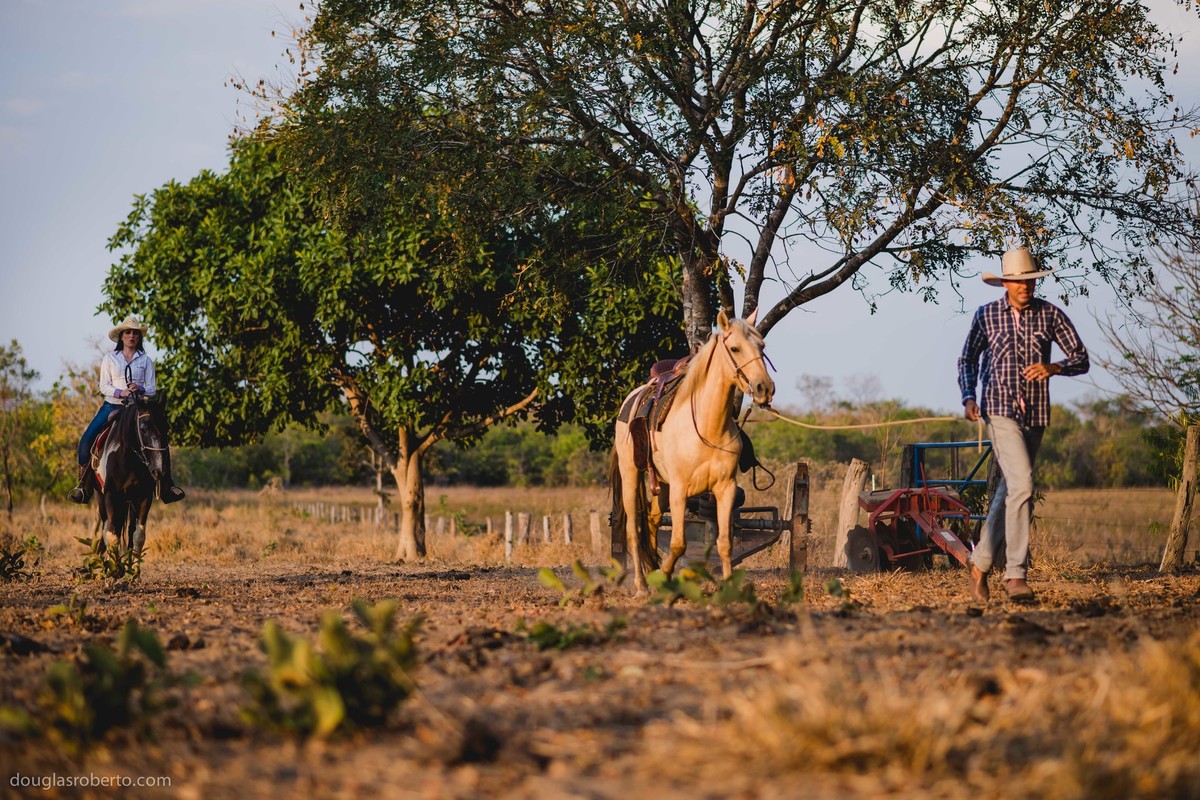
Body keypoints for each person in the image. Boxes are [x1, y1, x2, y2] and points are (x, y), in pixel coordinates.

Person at [957, 248, 1089, 602]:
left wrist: (1055, 367)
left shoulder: (1050, 315)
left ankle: (980, 563)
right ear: (1005, 283)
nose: (1025, 286)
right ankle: (1015, 575)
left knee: (1012, 490)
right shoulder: (986, 316)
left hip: (1036, 415)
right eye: (1018, 281)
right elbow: (967, 358)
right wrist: (969, 397)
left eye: (1029, 280)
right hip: (998, 412)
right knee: (1024, 485)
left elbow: (1081, 357)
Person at [67, 315, 186, 505]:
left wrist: (141, 389)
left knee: (159, 438)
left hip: (137, 408)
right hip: (112, 405)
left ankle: (166, 486)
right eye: (128, 332)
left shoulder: (146, 360)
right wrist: (120, 391)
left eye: (135, 333)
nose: (131, 336)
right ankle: (83, 486)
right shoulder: (110, 359)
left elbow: (152, 389)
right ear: (121, 336)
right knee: (86, 441)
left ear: (139, 337)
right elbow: (103, 386)